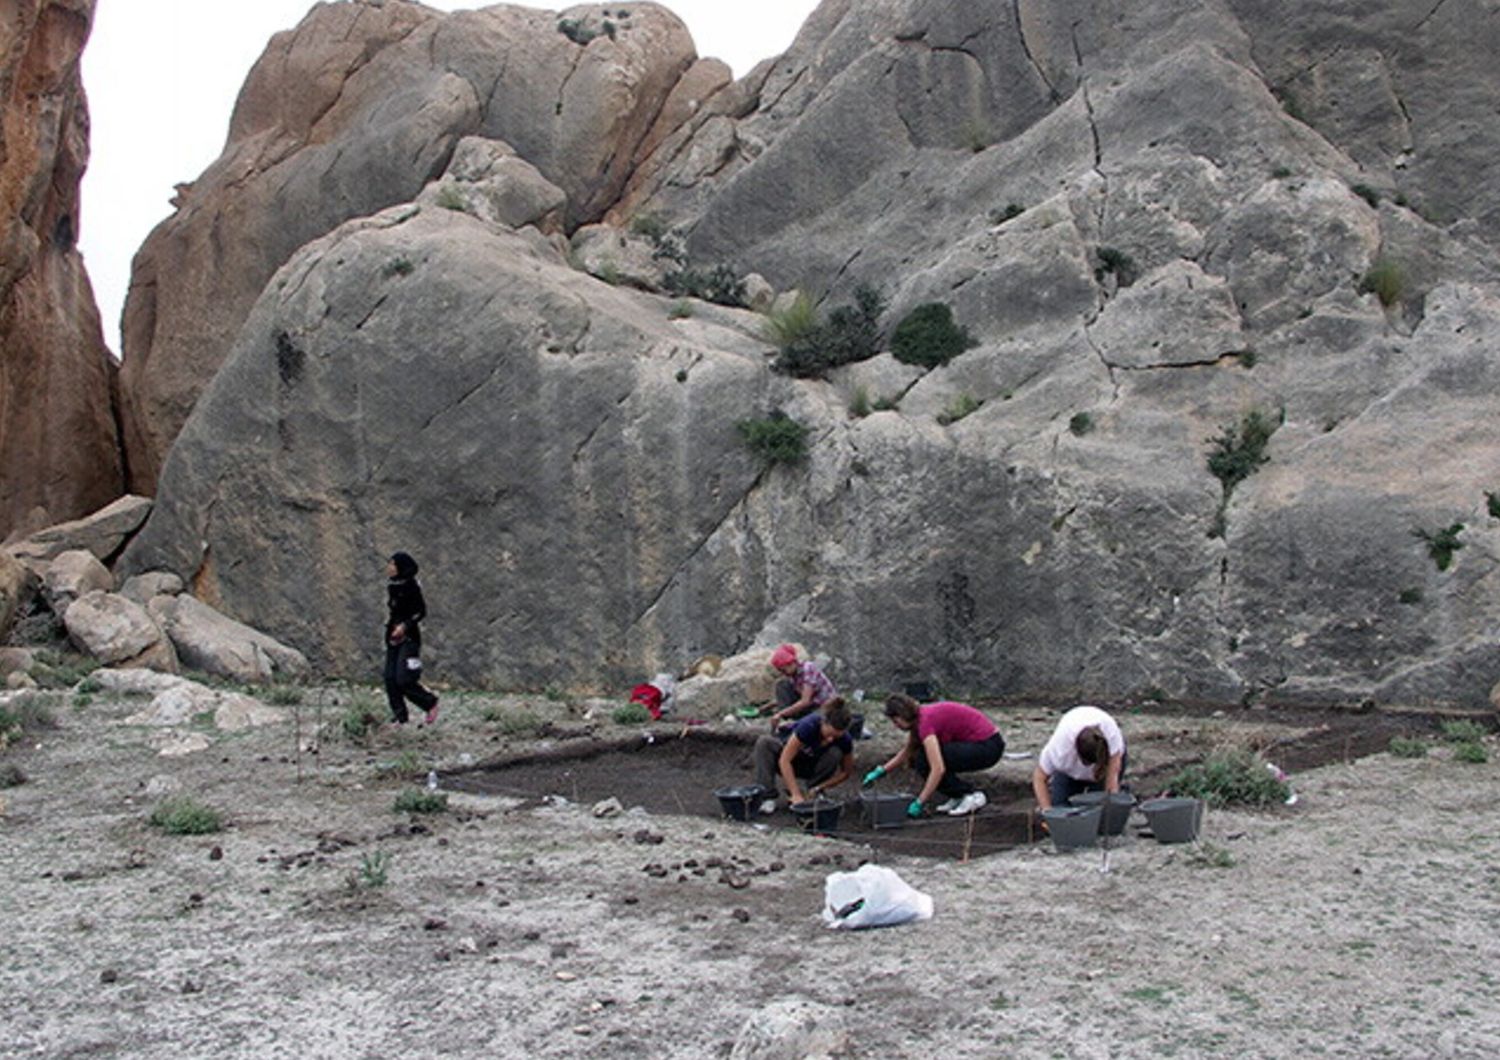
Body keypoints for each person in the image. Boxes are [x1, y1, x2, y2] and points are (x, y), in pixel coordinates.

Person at [863, 695, 1003, 817]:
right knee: (921, 757)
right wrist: (882, 770)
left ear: (903, 715)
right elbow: (908, 750)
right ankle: (958, 795)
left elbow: (938, 768)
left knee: (925, 760)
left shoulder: (925, 723)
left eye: (895, 721)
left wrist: (920, 802)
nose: (896, 725)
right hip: (978, 745)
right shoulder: (919, 719)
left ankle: (972, 795)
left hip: (988, 747)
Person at [752, 698, 856, 814]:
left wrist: (819, 787)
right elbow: (785, 760)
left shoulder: (845, 740)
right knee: (764, 743)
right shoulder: (809, 726)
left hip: (812, 765)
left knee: (835, 753)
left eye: (836, 737)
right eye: (829, 734)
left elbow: (846, 772)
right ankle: (768, 796)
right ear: (823, 723)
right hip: (789, 759)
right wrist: (796, 794)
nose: (830, 739)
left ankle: (813, 793)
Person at [1031, 705, 1127, 812]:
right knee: (1061, 807)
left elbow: (1111, 783)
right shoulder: (1060, 751)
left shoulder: (1111, 738)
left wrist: (1110, 805)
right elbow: (1039, 777)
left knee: (1098, 810)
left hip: (1106, 761)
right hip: (1068, 771)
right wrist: (1047, 811)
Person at [383, 551, 439, 727]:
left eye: (392, 564)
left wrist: (405, 626)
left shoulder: (412, 587)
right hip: (393, 637)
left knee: (404, 678)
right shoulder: (393, 586)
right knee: (389, 678)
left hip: (409, 639)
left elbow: (420, 612)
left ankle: (429, 703)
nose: (389, 567)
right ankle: (400, 716)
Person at [758, 643, 838, 727]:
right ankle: (787, 717)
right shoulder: (793, 674)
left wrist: (780, 714)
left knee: (811, 723)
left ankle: (788, 719)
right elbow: (785, 697)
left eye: (784, 670)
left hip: (822, 706)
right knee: (782, 685)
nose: (783, 673)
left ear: (791, 663)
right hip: (811, 702)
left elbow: (805, 701)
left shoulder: (808, 669)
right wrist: (765, 707)